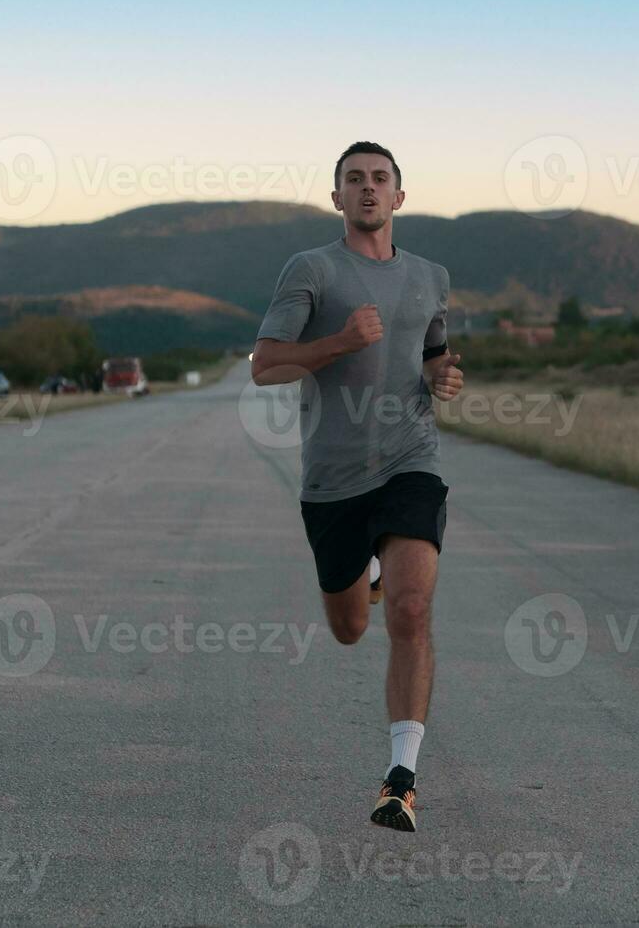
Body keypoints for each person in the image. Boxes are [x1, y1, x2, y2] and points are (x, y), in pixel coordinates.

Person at [250, 141, 464, 833]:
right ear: (337, 197)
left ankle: (400, 778)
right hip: (333, 480)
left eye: (380, 179)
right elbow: (266, 364)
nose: (368, 189)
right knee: (349, 628)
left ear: (400, 197)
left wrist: (441, 377)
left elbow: (430, 349)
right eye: (354, 180)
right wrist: (337, 344)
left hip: (411, 459)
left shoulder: (432, 275)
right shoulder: (311, 269)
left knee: (410, 609)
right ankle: (363, 568)